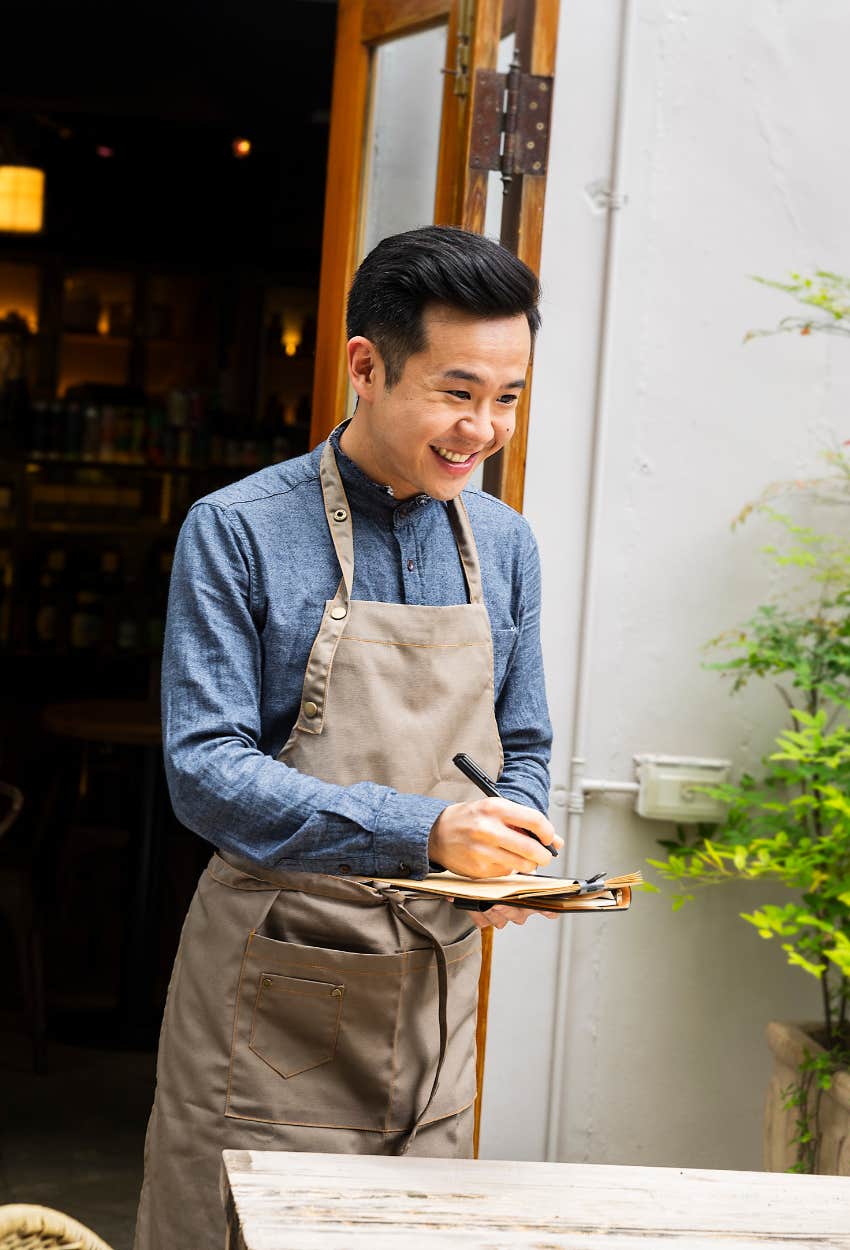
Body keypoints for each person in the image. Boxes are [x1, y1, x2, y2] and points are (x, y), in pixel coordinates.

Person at [133, 225, 561, 1250]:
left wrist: (510, 847)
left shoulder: (502, 544)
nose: (483, 427)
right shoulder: (238, 529)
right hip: (273, 1000)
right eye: (457, 392)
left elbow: (527, 742)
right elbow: (205, 771)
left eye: (506, 396)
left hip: (433, 994)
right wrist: (426, 833)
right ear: (365, 365)